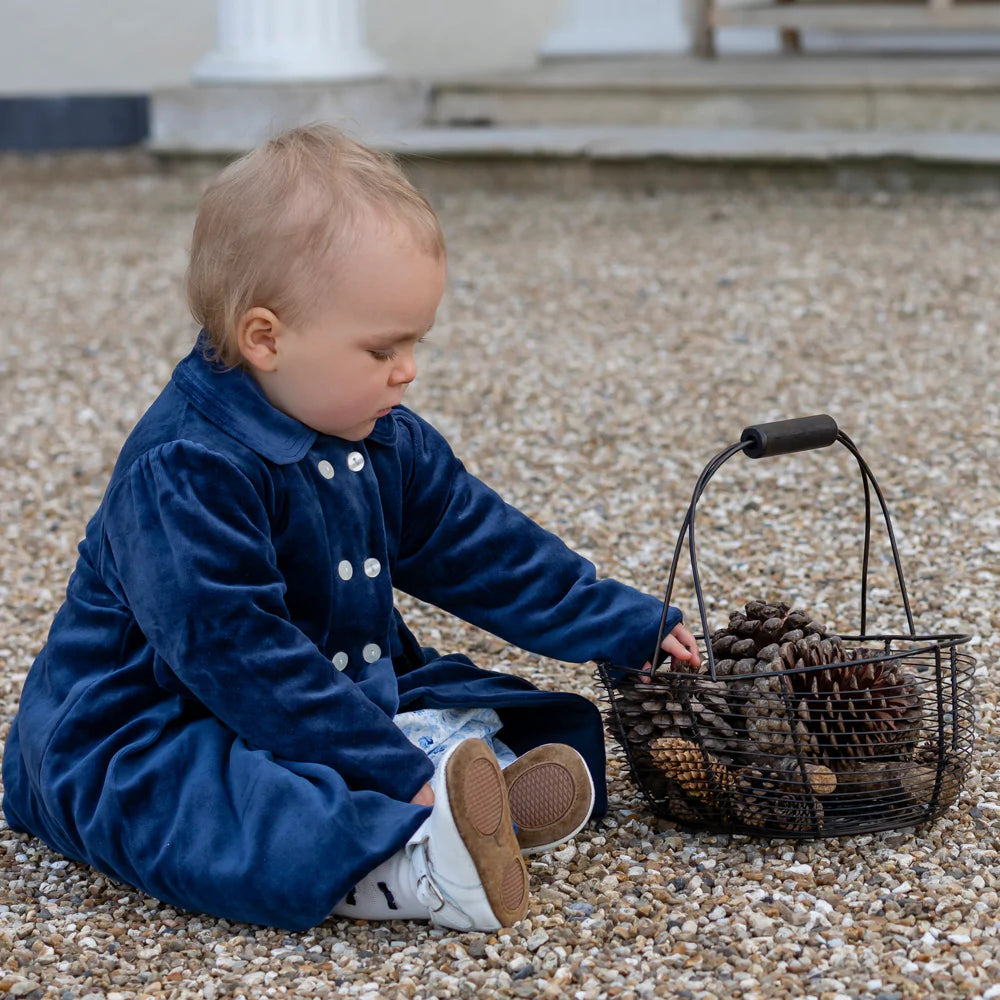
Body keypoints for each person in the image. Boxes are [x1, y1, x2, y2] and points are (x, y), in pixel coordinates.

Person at [1, 124, 701, 933]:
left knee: (495, 707)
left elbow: (484, 548)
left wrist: (623, 623)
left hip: (324, 688)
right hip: (153, 714)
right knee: (221, 808)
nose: (407, 369)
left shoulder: (378, 431)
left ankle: (472, 797)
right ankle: (410, 868)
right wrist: (386, 768)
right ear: (266, 338)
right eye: (382, 348)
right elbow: (239, 656)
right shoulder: (187, 467)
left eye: (414, 343)